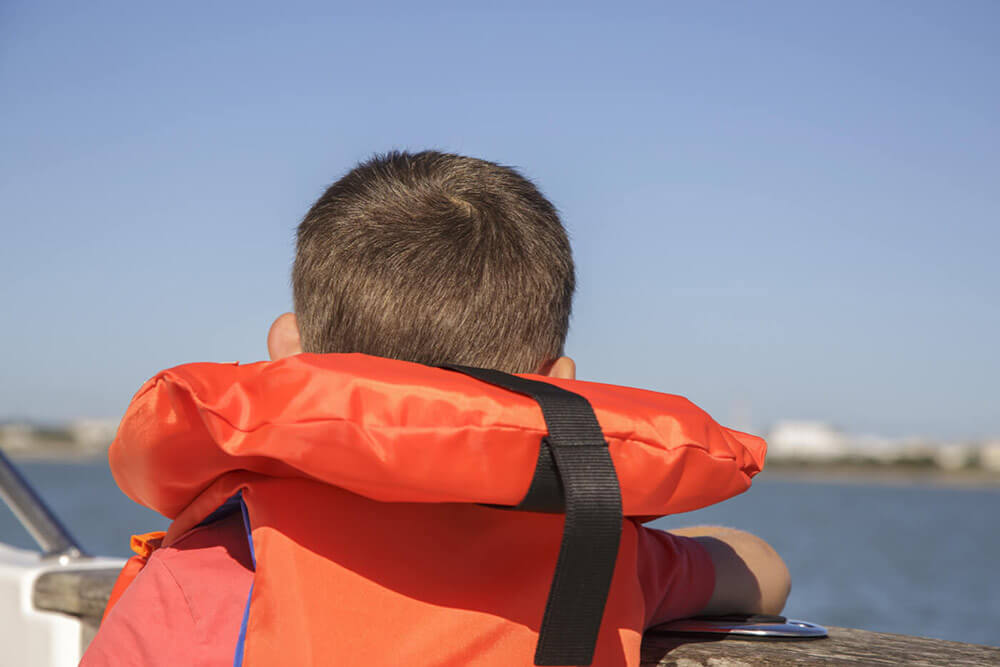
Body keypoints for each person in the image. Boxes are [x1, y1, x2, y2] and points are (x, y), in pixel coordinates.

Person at [82, 151, 790, 667]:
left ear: (287, 352)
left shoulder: (203, 573)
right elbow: (762, 569)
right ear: (556, 386)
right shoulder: (600, 553)